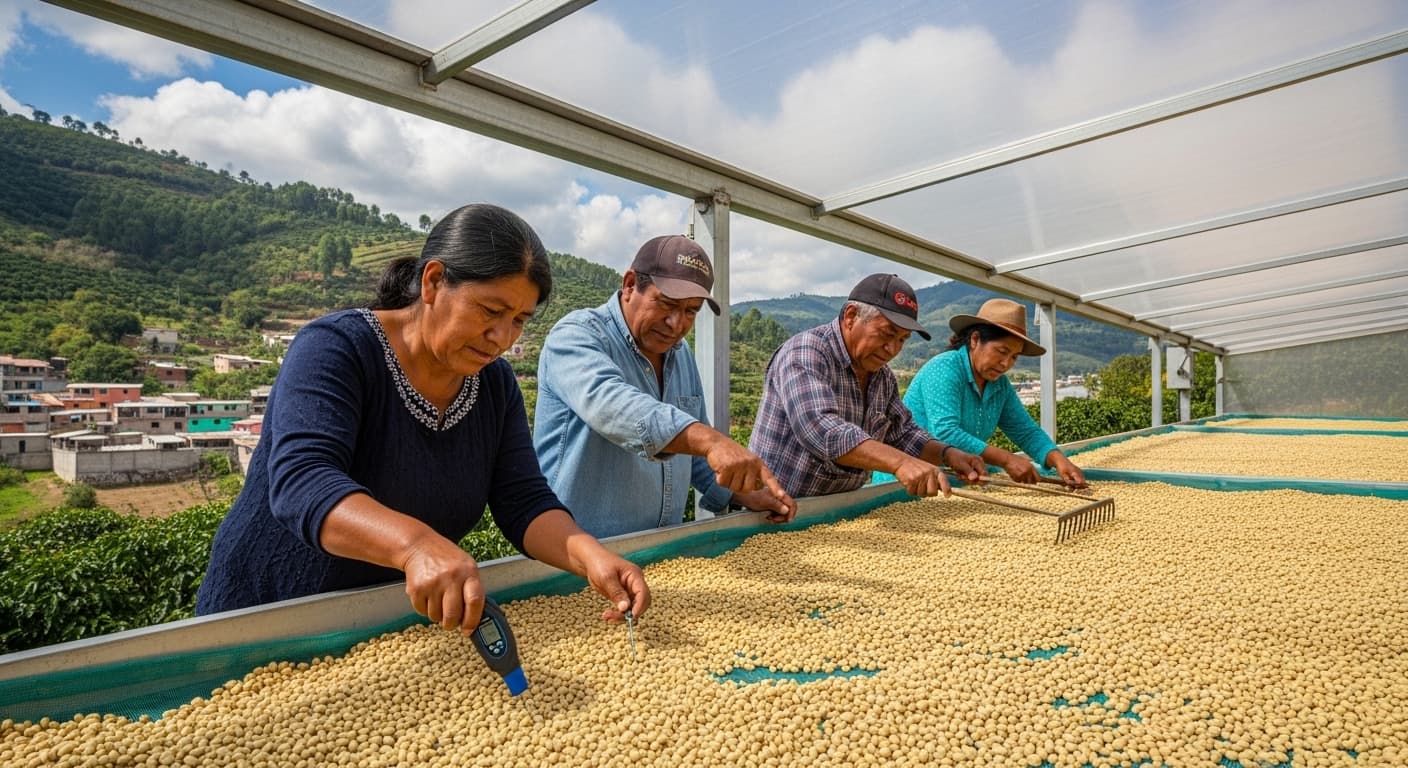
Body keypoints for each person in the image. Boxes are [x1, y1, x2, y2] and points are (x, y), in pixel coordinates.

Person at [196, 204, 649, 632]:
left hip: (386, 623)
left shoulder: (494, 385)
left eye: (519, 320)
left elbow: (523, 501)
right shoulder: (337, 348)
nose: (502, 338)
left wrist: (589, 556)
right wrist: (415, 545)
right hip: (267, 615)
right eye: (490, 311)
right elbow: (303, 482)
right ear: (433, 282)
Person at [534, 235, 796, 539]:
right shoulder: (577, 336)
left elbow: (694, 458)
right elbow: (613, 406)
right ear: (631, 285)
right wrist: (710, 441)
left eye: (691, 311)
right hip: (577, 555)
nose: (676, 323)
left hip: (660, 553)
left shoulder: (680, 354)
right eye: (667, 304)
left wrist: (744, 495)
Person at [749, 273, 986, 499]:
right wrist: (900, 462)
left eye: (902, 340)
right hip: (774, 507)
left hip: (838, 511)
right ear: (851, 316)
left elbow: (903, 433)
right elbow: (822, 430)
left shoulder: (882, 377)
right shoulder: (807, 351)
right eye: (886, 334)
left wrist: (948, 454)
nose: (892, 349)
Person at [902, 298, 1087, 488]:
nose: (1006, 363)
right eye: (1001, 351)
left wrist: (1059, 460)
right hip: (908, 481)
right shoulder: (945, 368)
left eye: (1014, 357)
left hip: (954, 482)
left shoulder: (1000, 386)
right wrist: (1007, 459)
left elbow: (1025, 431)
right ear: (975, 340)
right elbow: (945, 432)